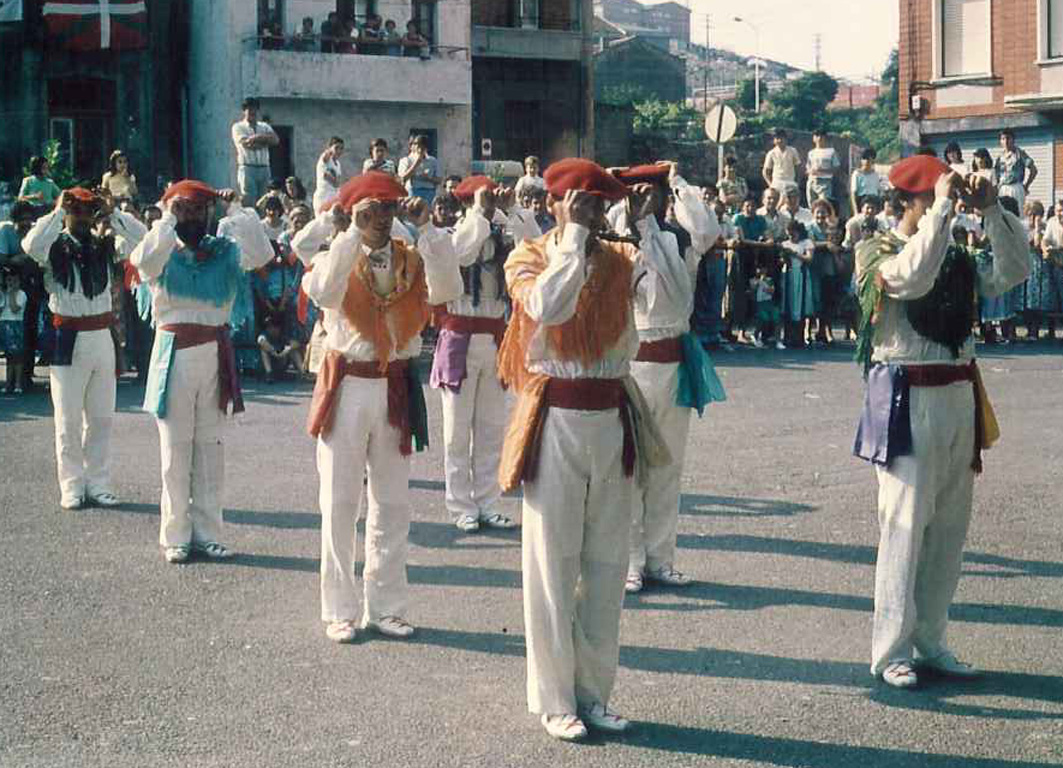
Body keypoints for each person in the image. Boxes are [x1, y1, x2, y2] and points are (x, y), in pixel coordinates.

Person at [497, 158, 669, 741]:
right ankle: (555, 698)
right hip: (558, 416)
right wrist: (571, 237)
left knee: (605, 563)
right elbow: (549, 307)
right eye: (583, 202)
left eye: (599, 202)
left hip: (612, 412)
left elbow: (672, 302)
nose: (594, 212)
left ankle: (595, 693)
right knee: (552, 560)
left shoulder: (623, 255)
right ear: (555, 204)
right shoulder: (528, 256)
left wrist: (644, 225)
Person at [852, 156, 1030, 690]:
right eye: (933, 198)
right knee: (904, 527)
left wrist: (993, 210)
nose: (944, 208)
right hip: (907, 396)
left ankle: (931, 638)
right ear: (911, 201)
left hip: (956, 392)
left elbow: (1014, 269)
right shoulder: (876, 249)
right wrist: (944, 210)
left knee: (949, 529)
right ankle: (891, 651)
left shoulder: (953, 252)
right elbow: (909, 278)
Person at [302, 172, 462, 644]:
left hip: (394, 383)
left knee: (392, 502)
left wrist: (428, 228)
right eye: (370, 211)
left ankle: (387, 605)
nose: (380, 220)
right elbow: (326, 293)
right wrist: (350, 232)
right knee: (339, 499)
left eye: (389, 209)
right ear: (354, 213)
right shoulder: (337, 254)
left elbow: (448, 289)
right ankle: (339, 608)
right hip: (348, 382)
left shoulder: (412, 257)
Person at [130, 180, 273, 564]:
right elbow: (141, 263)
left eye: (198, 210)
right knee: (175, 449)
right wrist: (166, 217)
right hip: (173, 354)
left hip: (214, 352)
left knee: (210, 448)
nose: (191, 217)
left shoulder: (225, 252)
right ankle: (175, 535)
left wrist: (237, 212)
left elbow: (262, 255)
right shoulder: (160, 251)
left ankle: (209, 533)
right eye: (184, 209)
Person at [606, 163, 723, 594]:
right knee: (632, 466)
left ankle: (661, 558)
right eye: (638, 192)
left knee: (669, 464)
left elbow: (706, 227)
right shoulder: (620, 239)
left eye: (652, 191)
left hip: (673, 362)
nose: (645, 198)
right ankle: (632, 560)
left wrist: (677, 180)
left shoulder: (678, 240)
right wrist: (623, 201)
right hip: (633, 364)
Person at [21, 188, 147, 509]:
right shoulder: (52, 246)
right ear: (66, 212)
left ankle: (99, 482)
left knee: (102, 417)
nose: (81, 216)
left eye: (87, 211)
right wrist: (56, 210)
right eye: (75, 210)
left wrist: (113, 212)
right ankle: (72, 485)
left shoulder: (106, 245)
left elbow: (143, 239)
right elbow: (30, 244)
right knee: (68, 419)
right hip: (67, 337)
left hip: (102, 335)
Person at [431, 177, 539, 533]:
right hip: (459, 337)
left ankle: (489, 503)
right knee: (456, 432)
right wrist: (479, 212)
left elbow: (535, 246)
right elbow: (462, 253)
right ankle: (461, 505)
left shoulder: (502, 234)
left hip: (494, 338)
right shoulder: (454, 234)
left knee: (492, 428)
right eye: (485, 202)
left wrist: (511, 211)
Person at [231, 97, 279, 206]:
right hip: (248, 168)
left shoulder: (264, 126)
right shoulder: (238, 127)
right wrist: (265, 141)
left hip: (264, 168)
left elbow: (275, 140)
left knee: (265, 201)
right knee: (248, 200)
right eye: (249, 109)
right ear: (244, 110)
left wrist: (256, 137)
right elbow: (247, 145)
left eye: (254, 109)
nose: (252, 112)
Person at [780, 219, 815, 347]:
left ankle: (800, 336)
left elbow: (809, 259)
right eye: (789, 233)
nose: (791, 236)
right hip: (788, 275)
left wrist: (794, 254)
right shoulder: (784, 244)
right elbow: (780, 260)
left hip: (801, 275)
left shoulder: (806, 243)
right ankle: (788, 336)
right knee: (788, 304)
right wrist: (784, 257)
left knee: (801, 305)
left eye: (793, 233)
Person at [993, 129, 1037, 212]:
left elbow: (1034, 170)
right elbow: (996, 175)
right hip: (1003, 188)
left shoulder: (1020, 154)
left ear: (1013, 140)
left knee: (1018, 213)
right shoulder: (1000, 157)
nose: (1006, 141)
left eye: (1008, 138)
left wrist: (1026, 185)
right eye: (1003, 139)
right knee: (1003, 213)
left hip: (1016, 187)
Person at [1, 266, 26, 393]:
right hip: (5, 324)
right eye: (9, 281)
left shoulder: (22, 294)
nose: (11, 284)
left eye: (15, 281)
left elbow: (15, 308)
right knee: (9, 357)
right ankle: (8, 384)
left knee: (17, 356)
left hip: (16, 325)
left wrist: (11, 294)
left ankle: (18, 384)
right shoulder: (3, 294)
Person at [398, 135, 441, 204]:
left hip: (429, 192)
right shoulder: (406, 160)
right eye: (417, 145)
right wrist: (416, 164)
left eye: (423, 146)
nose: (420, 149)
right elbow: (402, 178)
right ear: (411, 146)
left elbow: (439, 180)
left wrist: (428, 178)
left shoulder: (433, 161)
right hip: (413, 191)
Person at [762, 128, 802, 197]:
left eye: (782, 138)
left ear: (786, 139)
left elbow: (798, 168)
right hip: (776, 183)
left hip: (790, 182)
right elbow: (765, 171)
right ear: (774, 141)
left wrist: (797, 183)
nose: (780, 141)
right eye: (777, 139)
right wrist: (770, 185)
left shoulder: (793, 151)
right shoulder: (771, 153)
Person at [805, 128, 840, 207]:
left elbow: (836, 168)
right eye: (817, 136)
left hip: (825, 182)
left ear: (825, 138)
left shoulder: (831, 151)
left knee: (824, 204)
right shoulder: (811, 153)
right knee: (811, 205)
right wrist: (809, 171)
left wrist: (822, 170)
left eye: (821, 136)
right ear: (814, 138)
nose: (819, 138)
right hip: (812, 181)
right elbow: (808, 167)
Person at [749, 264, 781, 348]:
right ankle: (755, 335)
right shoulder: (753, 280)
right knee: (764, 319)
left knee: (776, 318)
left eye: (764, 269)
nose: (762, 271)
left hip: (769, 302)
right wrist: (759, 282)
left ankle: (778, 341)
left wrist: (764, 284)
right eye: (759, 269)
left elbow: (771, 291)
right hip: (759, 303)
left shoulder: (769, 280)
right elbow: (753, 290)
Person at [313, 136, 345, 214]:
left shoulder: (338, 164)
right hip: (323, 196)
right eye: (336, 148)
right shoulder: (326, 158)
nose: (339, 151)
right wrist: (329, 151)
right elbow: (328, 177)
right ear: (330, 148)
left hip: (333, 197)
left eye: (341, 148)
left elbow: (338, 182)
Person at [850, 148, 883, 217]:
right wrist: (855, 211)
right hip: (862, 202)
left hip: (874, 202)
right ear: (861, 161)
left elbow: (879, 191)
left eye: (869, 159)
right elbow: (853, 194)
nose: (866, 161)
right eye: (864, 159)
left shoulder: (875, 174)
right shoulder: (857, 174)